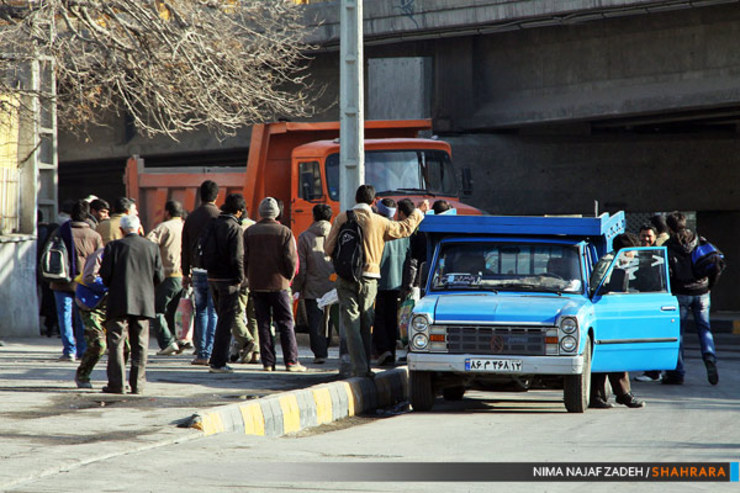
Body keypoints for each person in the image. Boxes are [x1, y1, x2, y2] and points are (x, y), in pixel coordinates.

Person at [325, 185, 428, 378]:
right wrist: (417, 212)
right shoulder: (378, 221)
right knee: (365, 320)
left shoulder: (341, 218)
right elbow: (405, 229)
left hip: (345, 276)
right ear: (374, 202)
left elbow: (328, 248)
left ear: (355, 199)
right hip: (369, 278)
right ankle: (365, 369)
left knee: (350, 323)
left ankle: (359, 368)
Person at [100, 214, 164, 394]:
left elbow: (105, 276)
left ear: (121, 230)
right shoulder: (151, 247)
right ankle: (138, 384)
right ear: (140, 228)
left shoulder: (113, 247)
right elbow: (159, 277)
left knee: (116, 344)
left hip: (118, 303)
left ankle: (117, 384)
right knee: (141, 345)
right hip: (143, 304)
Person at [244, 197, 305, 372]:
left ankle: (268, 363)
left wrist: (250, 277)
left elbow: (245, 259)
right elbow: (291, 260)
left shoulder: (249, 232)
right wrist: (288, 278)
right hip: (280, 285)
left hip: (257, 284)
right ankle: (291, 362)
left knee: (262, 323)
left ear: (261, 213)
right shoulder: (285, 232)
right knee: (286, 322)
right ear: (277, 213)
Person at [588, 232, 646, 409]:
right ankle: (619, 394)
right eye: (633, 250)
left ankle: (610, 395)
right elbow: (596, 287)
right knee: (611, 354)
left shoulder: (621, 262)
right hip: (606, 314)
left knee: (612, 353)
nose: (634, 255)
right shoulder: (608, 262)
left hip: (615, 314)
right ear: (626, 249)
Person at [662, 211, 720, 386]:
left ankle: (677, 373)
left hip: (680, 294)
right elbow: (716, 263)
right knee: (704, 328)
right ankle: (709, 355)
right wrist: (710, 287)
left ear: (669, 227)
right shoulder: (699, 240)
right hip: (702, 291)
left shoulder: (668, 246)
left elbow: (664, 273)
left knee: (678, 334)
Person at [50, 200, 104, 361]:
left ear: (71, 214)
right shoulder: (95, 236)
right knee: (81, 318)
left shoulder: (61, 231)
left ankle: (69, 351)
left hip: (61, 280)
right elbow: (101, 261)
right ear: (87, 215)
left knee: (64, 315)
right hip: (83, 284)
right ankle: (82, 350)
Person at [201, 193, 250, 374]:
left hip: (212, 277)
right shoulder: (234, 227)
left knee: (220, 318)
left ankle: (215, 359)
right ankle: (218, 362)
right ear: (238, 211)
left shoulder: (213, 224)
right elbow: (238, 256)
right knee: (225, 322)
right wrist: (240, 278)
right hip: (228, 280)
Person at [181, 180, 220, 366]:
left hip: (196, 270)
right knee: (213, 312)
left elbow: (185, 247)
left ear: (200, 195)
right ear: (216, 196)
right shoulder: (220, 216)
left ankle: (201, 353)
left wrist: (185, 272)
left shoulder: (192, 217)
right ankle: (210, 352)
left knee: (201, 311)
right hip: (215, 272)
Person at [293, 204, 335, 364]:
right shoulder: (336, 234)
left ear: (314, 216)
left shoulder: (305, 236)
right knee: (328, 317)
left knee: (315, 318)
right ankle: (325, 344)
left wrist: (298, 287)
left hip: (312, 284)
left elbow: (302, 265)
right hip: (332, 284)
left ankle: (320, 353)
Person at [373, 198, 410, 367]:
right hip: (397, 282)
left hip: (379, 280)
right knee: (391, 317)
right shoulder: (401, 232)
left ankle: (383, 351)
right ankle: (391, 352)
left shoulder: (378, 230)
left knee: (379, 316)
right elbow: (408, 261)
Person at [146, 200, 186, 356]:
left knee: (156, 311)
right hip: (183, 276)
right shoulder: (184, 226)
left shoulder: (165, 227)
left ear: (167, 212)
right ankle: (176, 340)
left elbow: (149, 243)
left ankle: (167, 342)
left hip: (168, 276)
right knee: (172, 311)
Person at [634, 223, 662, 382]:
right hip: (643, 298)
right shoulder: (640, 253)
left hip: (655, 299)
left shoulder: (658, 254)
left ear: (655, 237)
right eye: (643, 235)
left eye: (648, 236)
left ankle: (654, 372)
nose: (645, 238)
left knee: (653, 336)